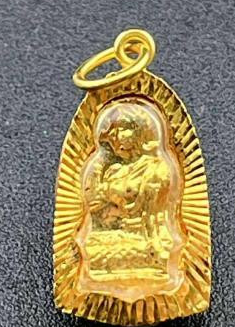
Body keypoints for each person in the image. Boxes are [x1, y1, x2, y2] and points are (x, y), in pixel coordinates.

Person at [76, 98, 185, 301]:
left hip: (145, 238)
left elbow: (156, 217)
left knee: (148, 250)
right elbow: (97, 213)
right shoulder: (113, 170)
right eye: (113, 132)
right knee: (93, 246)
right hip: (114, 236)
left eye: (123, 129)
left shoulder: (156, 169)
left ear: (141, 132)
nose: (116, 138)